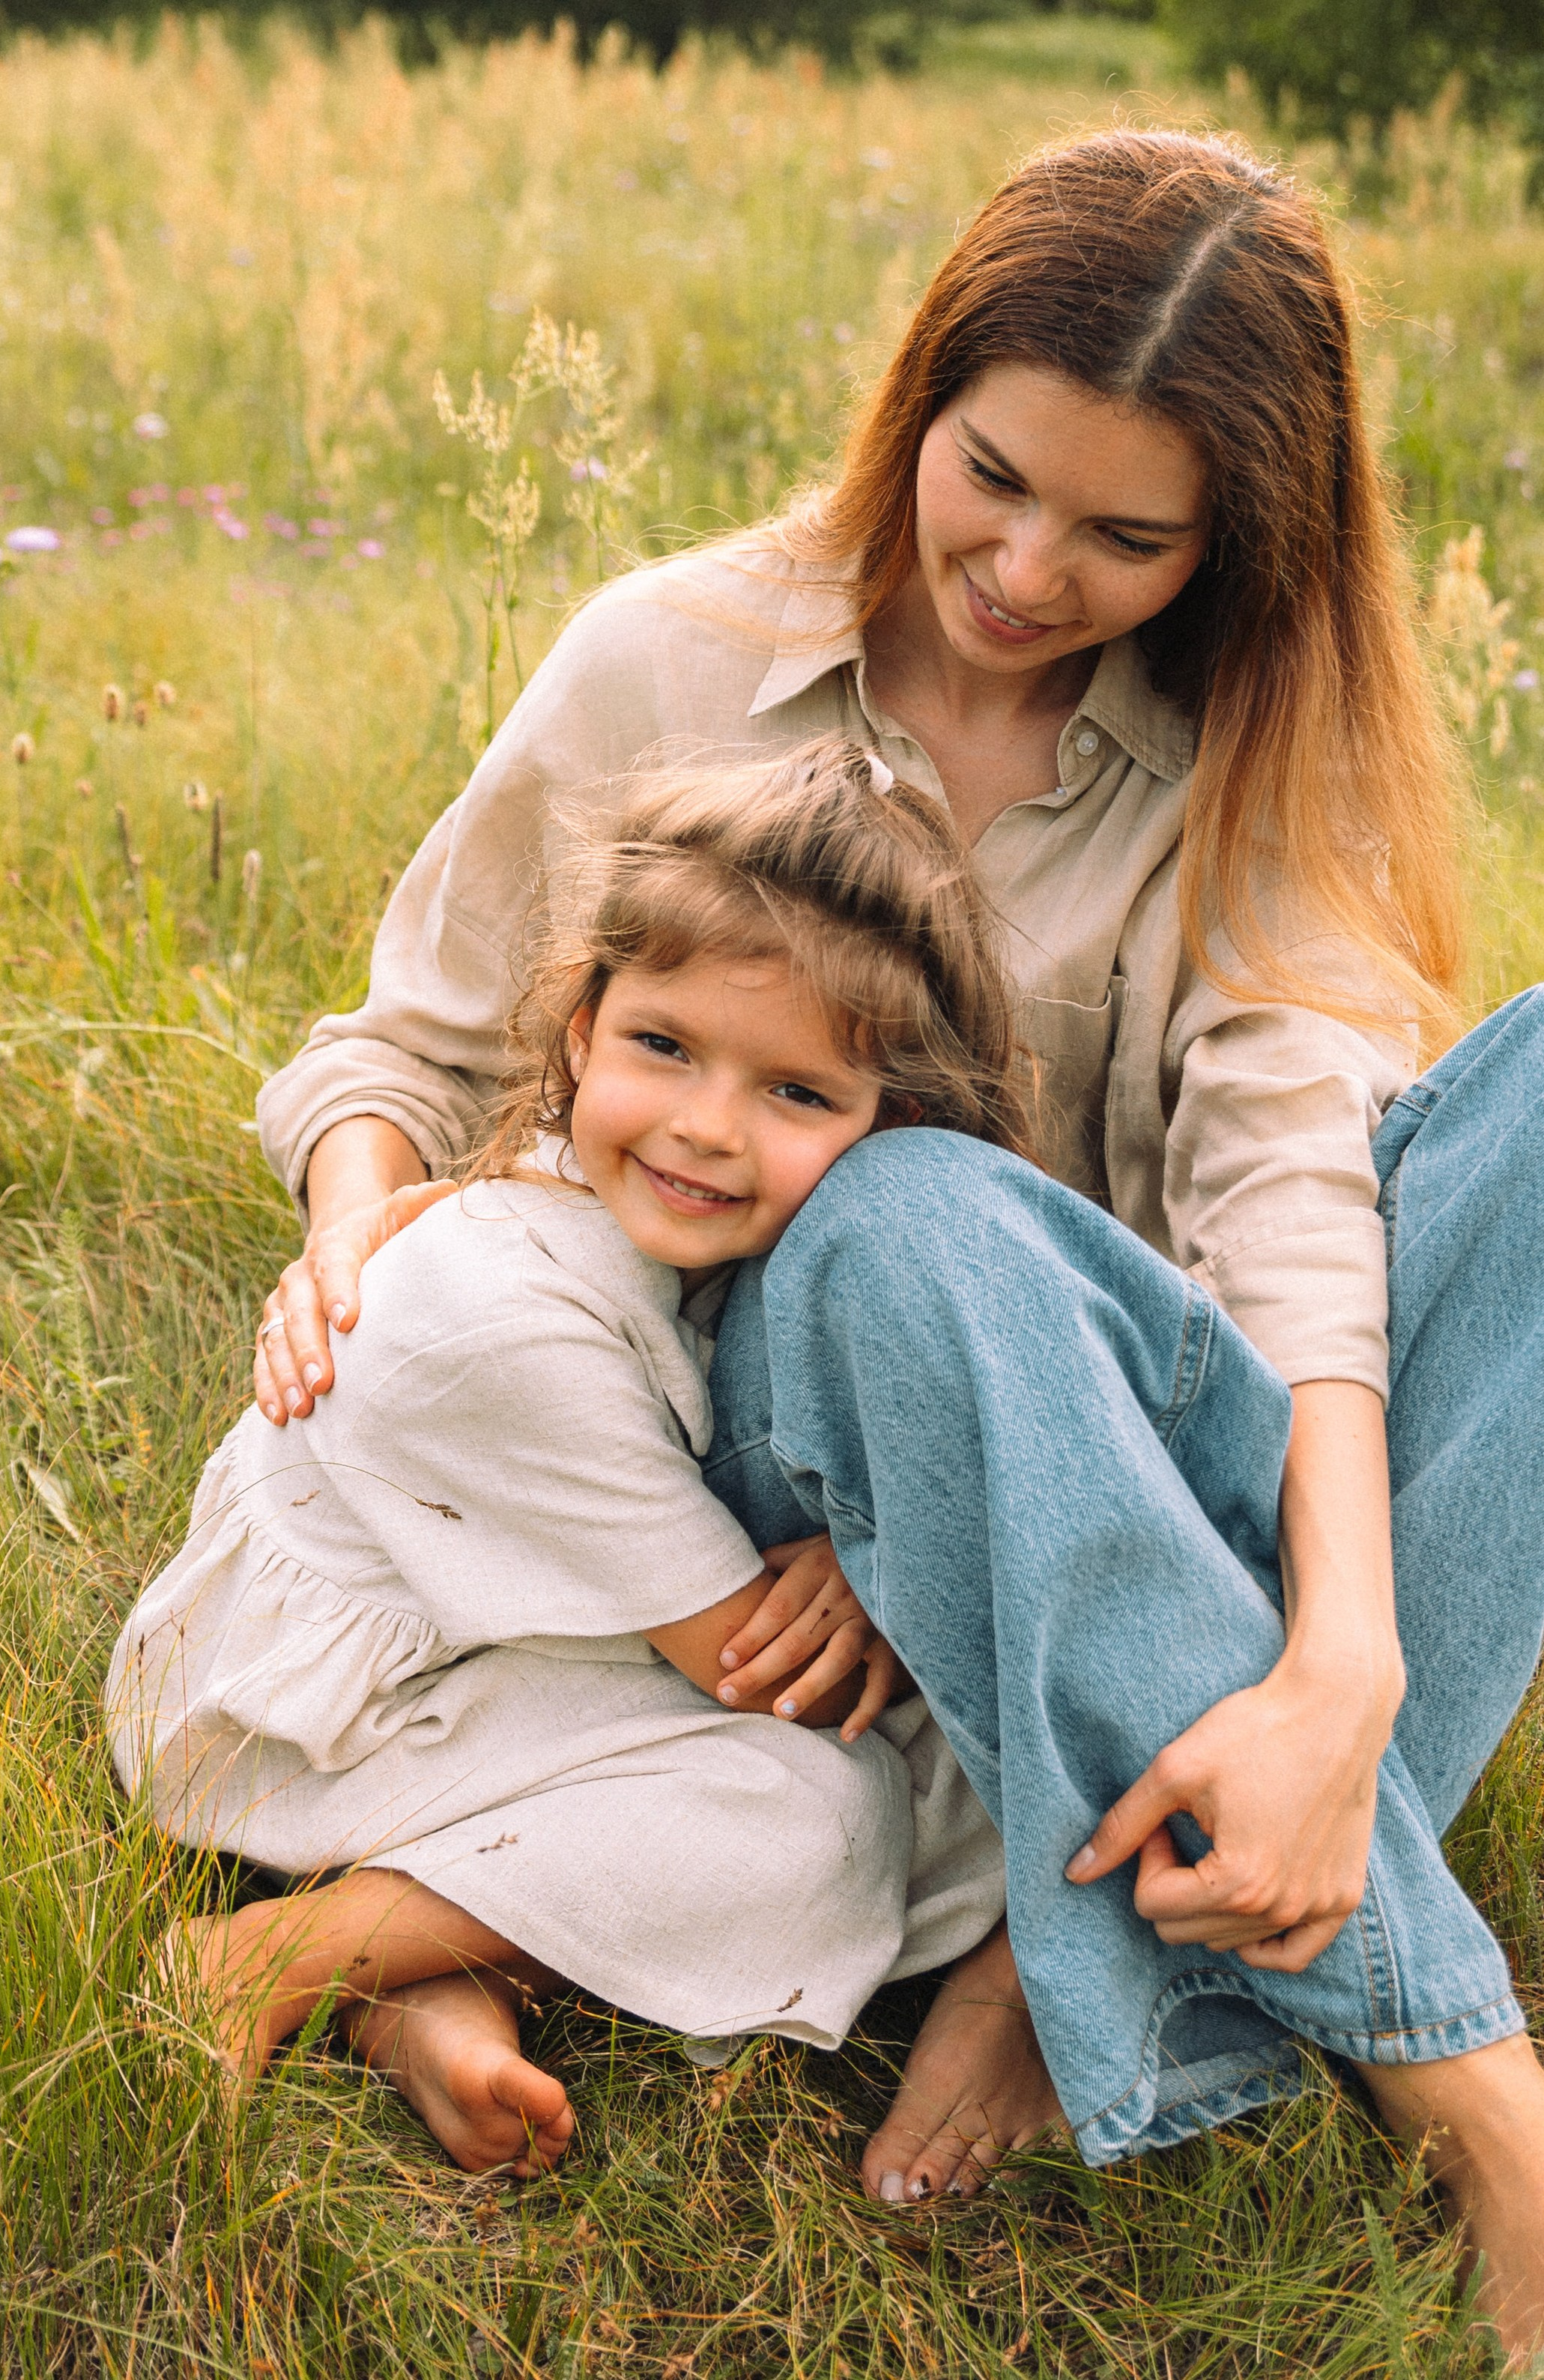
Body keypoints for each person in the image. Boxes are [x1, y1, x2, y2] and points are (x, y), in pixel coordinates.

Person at [246, 128, 1544, 2357]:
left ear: (1239, 539)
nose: (1027, 571)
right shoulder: (666, 652)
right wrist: (356, 1234)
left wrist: (1340, 1662)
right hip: (760, 1436)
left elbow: (1286, 1226)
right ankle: (1479, 2103)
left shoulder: (1256, 753)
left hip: (1109, 1425)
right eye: (989, 478)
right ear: (918, 394)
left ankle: (1086, 1955)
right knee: (912, 1199)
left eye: (1125, 536)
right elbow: (402, 1040)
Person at [112, 738, 1028, 2178]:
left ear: (885, 1130)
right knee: (847, 1805)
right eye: (664, 1046)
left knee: (899, 1785)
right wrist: (885, 1589)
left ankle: (424, 1990)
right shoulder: (496, 1317)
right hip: (289, 1723)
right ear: (581, 1025)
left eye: (794, 1093)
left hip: (478, 1660)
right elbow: (751, 1669)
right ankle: (265, 1950)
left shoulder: (634, 1221)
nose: (705, 1128)